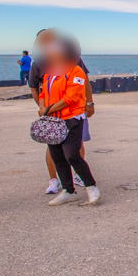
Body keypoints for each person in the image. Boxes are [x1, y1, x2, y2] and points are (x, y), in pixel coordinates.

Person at [38, 33, 101, 206]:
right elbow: (43, 91)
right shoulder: (50, 72)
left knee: (72, 154)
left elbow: (72, 97)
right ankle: (68, 190)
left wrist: (47, 110)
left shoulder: (75, 70)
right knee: (57, 156)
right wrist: (43, 107)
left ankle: (91, 186)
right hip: (53, 121)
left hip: (72, 118)